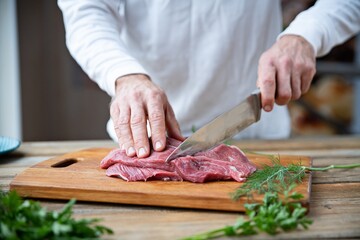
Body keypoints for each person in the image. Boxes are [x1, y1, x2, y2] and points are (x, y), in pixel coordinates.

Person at [58, 0, 360, 158]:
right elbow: (85, 10)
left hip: (261, 143)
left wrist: (305, 35)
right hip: (145, 141)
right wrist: (124, 74)